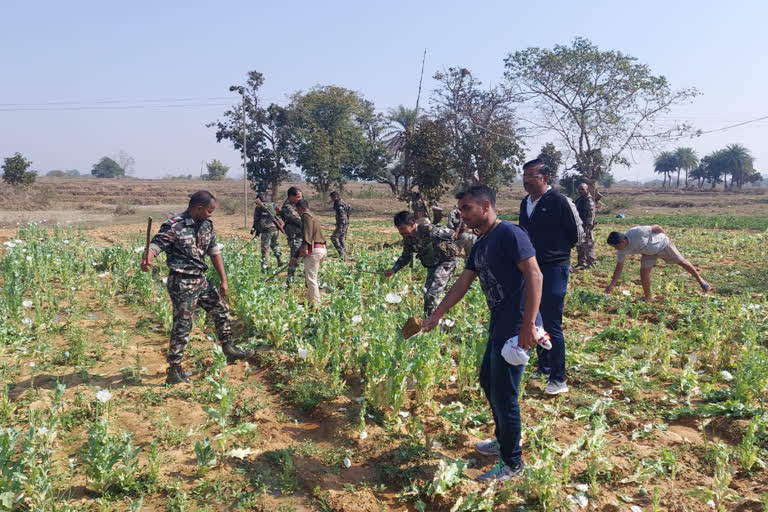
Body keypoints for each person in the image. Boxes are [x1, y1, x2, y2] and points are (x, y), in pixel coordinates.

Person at [423, 184, 543, 482]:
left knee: (505, 395)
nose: (461, 215)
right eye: (460, 210)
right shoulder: (480, 244)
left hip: (517, 326)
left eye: (466, 209)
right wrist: (437, 313)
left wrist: (528, 325)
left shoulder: (510, 234)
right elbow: (463, 283)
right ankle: (503, 441)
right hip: (499, 324)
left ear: (485, 205)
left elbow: (535, 274)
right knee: (488, 381)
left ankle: (512, 463)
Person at [140, 191, 254, 385]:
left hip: (200, 280)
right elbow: (155, 246)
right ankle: (174, 371)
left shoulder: (207, 225)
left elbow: (214, 252)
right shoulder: (174, 226)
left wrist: (223, 280)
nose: (211, 215)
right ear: (198, 208)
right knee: (183, 325)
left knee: (221, 309)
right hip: (182, 282)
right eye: (209, 211)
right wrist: (148, 258)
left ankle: (229, 349)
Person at [519, 159, 579, 395]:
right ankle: (543, 366)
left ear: (545, 177)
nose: (526, 180)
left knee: (552, 320)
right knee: (535, 316)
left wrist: (557, 253)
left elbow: (574, 233)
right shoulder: (526, 202)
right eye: (524, 175)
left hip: (554, 267)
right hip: (532, 267)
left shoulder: (559, 200)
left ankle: (558, 378)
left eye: (531, 175)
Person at [605, 225, 712, 301]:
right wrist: (611, 286)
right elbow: (619, 269)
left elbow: (657, 227)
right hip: (648, 253)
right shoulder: (621, 251)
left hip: (662, 245)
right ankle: (648, 298)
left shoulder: (637, 232)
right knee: (643, 273)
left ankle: (702, 282)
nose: (616, 249)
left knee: (682, 262)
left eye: (616, 246)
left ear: (623, 241)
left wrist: (665, 237)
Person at [384, 211, 458, 317]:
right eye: (399, 229)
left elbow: (453, 235)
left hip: (446, 262)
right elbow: (406, 256)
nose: (401, 232)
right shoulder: (408, 238)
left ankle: (434, 321)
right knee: (428, 294)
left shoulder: (430, 230)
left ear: (412, 224)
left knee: (432, 293)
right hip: (433, 265)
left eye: (403, 228)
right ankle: (431, 319)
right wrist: (393, 269)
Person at [291, 200, 327, 305]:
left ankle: (316, 305)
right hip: (321, 249)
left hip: (314, 250)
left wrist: (305, 248)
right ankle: (310, 302)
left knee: (311, 279)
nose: (297, 212)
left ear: (301, 208)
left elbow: (307, 235)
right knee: (310, 277)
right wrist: (296, 256)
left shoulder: (306, 216)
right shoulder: (313, 216)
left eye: (297, 210)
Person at [251, 193, 284, 271]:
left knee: (265, 249)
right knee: (275, 245)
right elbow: (279, 213)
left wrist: (255, 230)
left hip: (266, 230)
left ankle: (264, 267)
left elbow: (256, 220)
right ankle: (279, 258)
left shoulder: (259, 207)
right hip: (276, 229)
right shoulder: (273, 205)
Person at [280, 187, 303, 286]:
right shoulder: (288, 207)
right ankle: (290, 282)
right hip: (295, 236)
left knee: (300, 259)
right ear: (291, 196)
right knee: (294, 259)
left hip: (300, 235)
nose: (300, 199)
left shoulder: (295, 205)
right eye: (298, 197)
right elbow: (299, 220)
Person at [574, 183, 597, 269]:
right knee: (580, 244)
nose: (580, 191)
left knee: (588, 244)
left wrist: (588, 226)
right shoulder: (579, 200)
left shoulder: (588, 201)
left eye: (582, 189)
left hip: (586, 226)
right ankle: (581, 263)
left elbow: (591, 214)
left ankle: (592, 262)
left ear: (587, 190)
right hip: (579, 226)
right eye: (579, 189)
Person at [329, 191, 351, 260]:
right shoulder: (343, 202)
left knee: (334, 238)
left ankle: (342, 253)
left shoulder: (339, 204)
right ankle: (344, 255)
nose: (331, 199)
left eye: (332, 198)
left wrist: (340, 226)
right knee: (341, 238)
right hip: (345, 223)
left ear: (335, 197)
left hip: (342, 224)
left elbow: (342, 216)